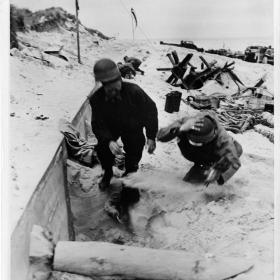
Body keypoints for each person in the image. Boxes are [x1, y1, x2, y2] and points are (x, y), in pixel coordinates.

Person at [89, 58, 158, 191]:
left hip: (132, 127)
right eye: (110, 86)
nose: (115, 87)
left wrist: (151, 136)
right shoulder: (97, 99)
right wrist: (109, 141)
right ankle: (107, 173)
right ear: (103, 84)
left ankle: (130, 175)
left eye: (117, 82)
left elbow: (150, 112)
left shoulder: (134, 91)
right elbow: (98, 124)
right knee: (103, 148)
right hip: (111, 128)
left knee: (135, 146)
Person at [157, 112, 243, 186]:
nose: (198, 144)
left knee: (235, 150)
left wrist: (218, 175)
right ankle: (201, 167)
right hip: (194, 153)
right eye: (195, 142)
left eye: (201, 143)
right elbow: (160, 136)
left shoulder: (223, 140)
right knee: (192, 181)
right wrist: (178, 129)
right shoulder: (186, 123)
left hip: (213, 153)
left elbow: (235, 163)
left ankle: (207, 167)